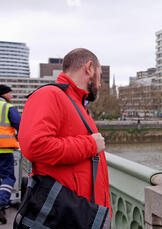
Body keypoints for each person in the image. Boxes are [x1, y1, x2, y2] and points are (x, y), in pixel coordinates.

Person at [18, 48, 111, 216]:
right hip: (65, 216)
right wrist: (91, 144)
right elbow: (35, 146)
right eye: (100, 74)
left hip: (81, 215)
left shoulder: (77, 104)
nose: (99, 84)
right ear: (89, 68)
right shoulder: (49, 94)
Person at [0, 85, 21, 224]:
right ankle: (1, 202)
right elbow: (21, 125)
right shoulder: (7, 107)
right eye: (10, 93)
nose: (12, 95)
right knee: (8, 177)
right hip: (4, 149)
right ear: (4, 94)